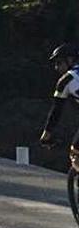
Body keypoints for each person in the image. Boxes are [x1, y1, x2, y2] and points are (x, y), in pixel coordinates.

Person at [40, 43, 79, 172]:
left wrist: (47, 134)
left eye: (59, 63)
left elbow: (57, 110)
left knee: (76, 151)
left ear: (70, 60)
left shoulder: (66, 80)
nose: (56, 67)